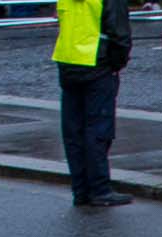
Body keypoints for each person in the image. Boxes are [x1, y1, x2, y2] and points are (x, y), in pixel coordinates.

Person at [53, 0, 132, 208]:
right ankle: (100, 190)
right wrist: (117, 63)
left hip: (68, 62)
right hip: (98, 64)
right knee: (98, 131)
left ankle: (80, 191)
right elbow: (119, 33)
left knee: (74, 132)